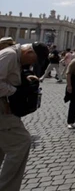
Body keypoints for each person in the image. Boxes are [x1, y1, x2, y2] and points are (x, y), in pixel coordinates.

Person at [0, 42, 49, 191]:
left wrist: (24, 77)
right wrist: (15, 91)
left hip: (5, 107)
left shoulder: (14, 57)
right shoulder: (9, 55)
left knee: (2, 146)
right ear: (28, 52)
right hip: (2, 109)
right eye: (33, 61)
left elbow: (8, 76)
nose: (32, 64)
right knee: (22, 143)